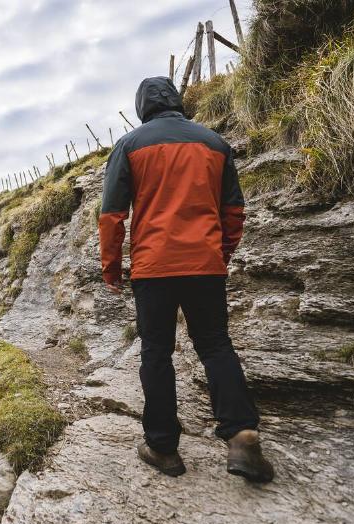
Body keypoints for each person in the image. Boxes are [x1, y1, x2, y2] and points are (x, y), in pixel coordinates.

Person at [98, 76, 274, 483]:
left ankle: (162, 447)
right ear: (177, 100)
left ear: (143, 106)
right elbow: (233, 212)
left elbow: (111, 216)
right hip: (205, 265)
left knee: (156, 353)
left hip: (154, 267)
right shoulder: (214, 142)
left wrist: (111, 267)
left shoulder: (129, 145)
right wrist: (220, 253)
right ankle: (242, 433)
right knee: (215, 345)